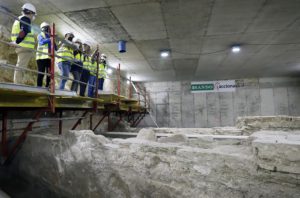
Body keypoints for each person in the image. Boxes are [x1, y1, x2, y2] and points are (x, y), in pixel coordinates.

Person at [11, 3, 36, 85]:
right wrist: (17, 41)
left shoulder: (20, 19)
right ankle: (18, 83)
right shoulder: (26, 19)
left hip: (21, 46)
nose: (33, 16)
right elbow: (23, 31)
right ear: (30, 12)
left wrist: (16, 42)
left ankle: (18, 82)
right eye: (33, 14)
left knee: (20, 65)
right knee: (21, 66)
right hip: (24, 46)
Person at [36, 22, 56, 87]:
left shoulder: (50, 37)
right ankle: (39, 87)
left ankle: (48, 86)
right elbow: (41, 42)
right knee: (41, 73)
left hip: (49, 58)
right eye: (46, 27)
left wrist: (54, 39)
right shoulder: (40, 35)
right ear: (42, 28)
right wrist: (50, 39)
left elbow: (55, 48)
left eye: (48, 27)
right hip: (41, 58)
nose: (47, 29)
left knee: (49, 73)